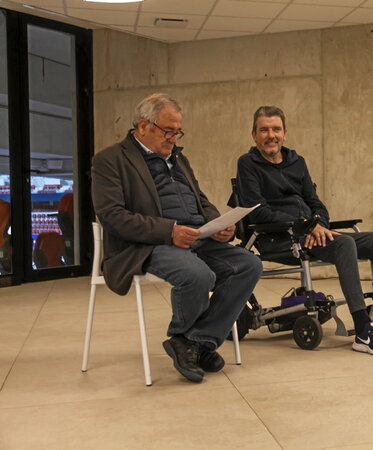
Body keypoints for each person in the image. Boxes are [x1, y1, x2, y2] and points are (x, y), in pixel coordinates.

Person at [235, 106, 373, 357]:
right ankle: (363, 329)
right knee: (344, 245)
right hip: (278, 238)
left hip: (310, 235)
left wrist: (319, 223)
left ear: (285, 134)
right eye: (264, 129)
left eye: (276, 129)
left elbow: (315, 201)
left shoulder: (297, 162)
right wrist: (306, 226)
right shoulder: (248, 164)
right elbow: (257, 212)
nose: (270, 135)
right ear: (254, 135)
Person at [91, 93, 262, 383]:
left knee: (249, 265)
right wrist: (169, 231)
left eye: (177, 131)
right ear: (143, 126)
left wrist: (218, 223)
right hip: (148, 244)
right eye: (167, 130)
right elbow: (113, 216)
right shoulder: (110, 160)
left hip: (197, 237)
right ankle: (193, 342)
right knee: (198, 275)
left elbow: (200, 201)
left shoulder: (179, 158)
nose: (173, 138)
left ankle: (194, 341)